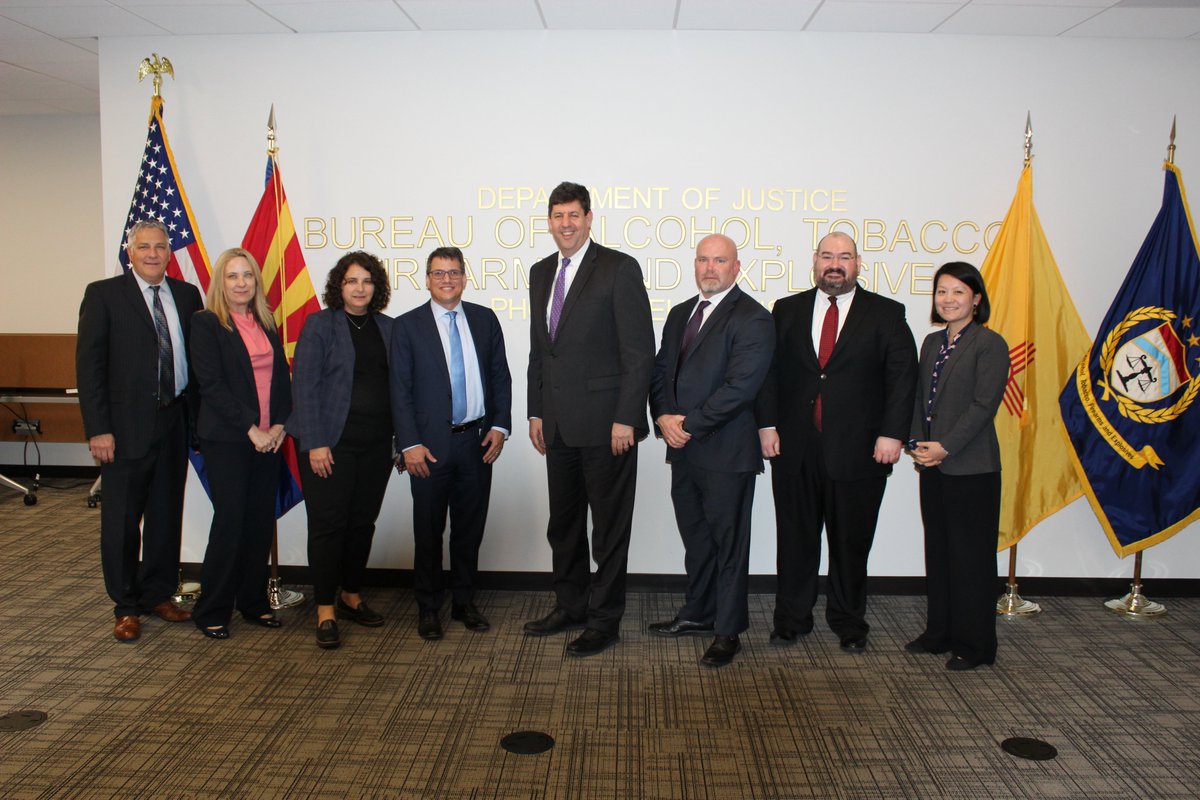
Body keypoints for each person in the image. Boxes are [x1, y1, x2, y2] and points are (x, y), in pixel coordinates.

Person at [757, 231, 916, 652]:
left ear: (857, 264)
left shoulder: (886, 313)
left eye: (844, 257)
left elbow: (902, 378)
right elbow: (769, 373)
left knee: (851, 542)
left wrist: (893, 433)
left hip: (861, 452)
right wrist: (766, 425)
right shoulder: (786, 310)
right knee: (795, 540)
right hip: (794, 448)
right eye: (827, 256)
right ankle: (791, 619)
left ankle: (849, 622)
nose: (835, 264)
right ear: (814, 261)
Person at [524, 181, 655, 657]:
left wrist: (627, 418)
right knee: (564, 525)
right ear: (550, 220)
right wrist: (535, 410)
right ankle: (571, 605)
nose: (566, 224)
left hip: (608, 428)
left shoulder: (619, 268)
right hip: (556, 425)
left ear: (589, 217)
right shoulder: (541, 272)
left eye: (574, 215)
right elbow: (542, 350)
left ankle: (604, 620)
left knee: (609, 529)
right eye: (558, 215)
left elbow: (640, 353)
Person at [648, 234, 774, 668]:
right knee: (697, 540)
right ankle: (698, 613)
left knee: (729, 545)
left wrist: (688, 425)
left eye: (719, 261)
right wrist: (664, 418)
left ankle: (727, 629)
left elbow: (740, 387)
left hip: (725, 453)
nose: (709, 268)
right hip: (683, 451)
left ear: (736, 267)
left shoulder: (753, 318)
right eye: (702, 259)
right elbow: (661, 371)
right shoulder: (682, 312)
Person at [76, 219, 202, 642]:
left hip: (174, 419)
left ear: (171, 253)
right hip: (123, 429)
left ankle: (158, 594)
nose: (152, 254)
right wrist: (98, 429)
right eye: (144, 247)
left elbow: (196, 365)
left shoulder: (187, 296)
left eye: (160, 247)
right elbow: (90, 369)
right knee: (122, 520)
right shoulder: (104, 295)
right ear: (129, 252)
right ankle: (125, 604)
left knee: (167, 514)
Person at [391, 246, 512, 641]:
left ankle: (464, 602)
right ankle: (428, 607)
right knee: (428, 532)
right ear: (426, 279)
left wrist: (500, 425)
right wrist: (408, 444)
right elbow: (400, 390)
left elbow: (500, 377)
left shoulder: (484, 319)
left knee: (468, 530)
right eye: (439, 273)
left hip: (477, 442)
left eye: (454, 272)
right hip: (427, 448)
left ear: (464, 277)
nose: (447, 279)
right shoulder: (406, 326)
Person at [906, 262, 1009, 671]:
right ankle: (940, 632)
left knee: (971, 558)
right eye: (942, 292)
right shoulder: (932, 342)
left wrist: (944, 447)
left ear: (976, 299)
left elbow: (984, 407)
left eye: (958, 292)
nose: (948, 299)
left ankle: (976, 644)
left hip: (972, 468)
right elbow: (919, 399)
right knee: (940, 552)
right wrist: (917, 443)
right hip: (933, 467)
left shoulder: (990, 344)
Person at [290, 251, 395, 650]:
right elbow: (305, 386)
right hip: (328, 445)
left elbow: (398, 388)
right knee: (328, 525)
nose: (359, 288)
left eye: (366, 281)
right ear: (339, 286)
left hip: (375, 444)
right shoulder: (320, 325)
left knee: (361, 522)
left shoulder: (389, 327)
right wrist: (315, 442)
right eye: (352, 281)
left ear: (376, 287)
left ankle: (351, 595)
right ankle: (324, 608)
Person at [188, 248, 291, 639]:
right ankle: (212, 608)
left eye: (247, 275)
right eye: (232, 276)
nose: (241, 283)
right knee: (231, 522)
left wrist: (279, 424)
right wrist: (253, 430)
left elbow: (281, 378)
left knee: (259, 523)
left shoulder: (265, 321)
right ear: (220, 282)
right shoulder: (206, 323)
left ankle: (253, 603)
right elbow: (211, 386)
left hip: (269, 439)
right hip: (230, 439)